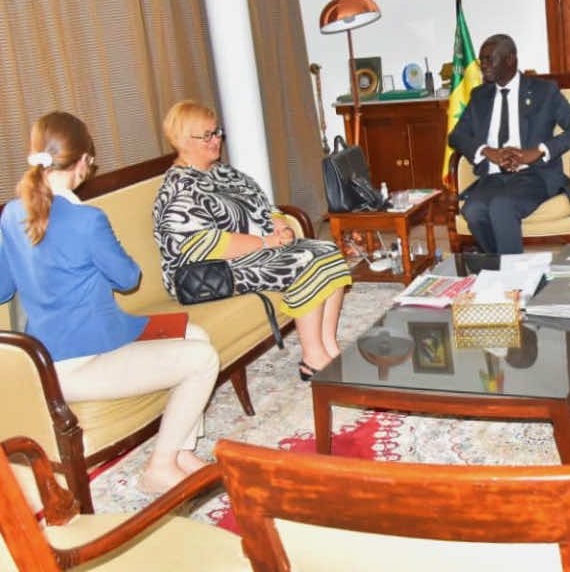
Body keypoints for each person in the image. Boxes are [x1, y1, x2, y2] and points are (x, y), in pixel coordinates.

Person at [0, 112, 220, 495]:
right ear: (84, 162)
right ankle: (159, 468)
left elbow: (2, 289)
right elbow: (128, 278)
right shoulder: (87, 220)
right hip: (86, 362)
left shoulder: (12, 214)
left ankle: (183, 451)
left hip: (46, 360)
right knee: (203, 359)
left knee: (195, 332)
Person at [153, 101, 351, 381]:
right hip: (207, 272)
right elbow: (207, 246)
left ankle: (329, 345)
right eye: (207, 135)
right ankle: (313, 356)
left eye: (217, 132)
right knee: (304, 260)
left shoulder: (221, 172)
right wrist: (267, 242)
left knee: (326, 250)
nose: (217, 139)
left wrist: (278, 223)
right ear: (183, 141)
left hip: (250, 252)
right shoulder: (179, 188)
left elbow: (260, 203)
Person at [448, 34, 570, 254]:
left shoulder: (544, 91)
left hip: (535, 175)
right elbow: (456, 136)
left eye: (490, 59)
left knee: (501, 206)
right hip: (493, 177)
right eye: (481, 61)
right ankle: (499, 266)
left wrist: (537, 151)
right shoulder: (480, 96)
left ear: (510, 60)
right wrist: (489, 152)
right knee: (473, 210)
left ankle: (512, 279)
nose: (484, 66)